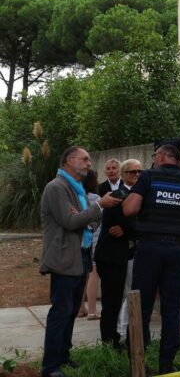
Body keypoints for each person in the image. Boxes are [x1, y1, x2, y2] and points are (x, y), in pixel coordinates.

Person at [123, 143, 180, 374]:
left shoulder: (148, 177)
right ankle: (167, 364)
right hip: (177, 251)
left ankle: (138, 362)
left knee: (141, 305)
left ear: (161, 156)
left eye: (155, 156)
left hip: (149, 248)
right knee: (171, 309)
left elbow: (129, 209)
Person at [39, 147, 121, 377]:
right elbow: (70, 220)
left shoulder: (76, 189)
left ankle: (63, 357)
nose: (89, 163)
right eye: (84, 159)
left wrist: (85, 216)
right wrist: (97, 207)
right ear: (69, 160)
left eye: (89, 160)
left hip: (81, 256)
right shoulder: (57, 187)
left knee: (72, 310)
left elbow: (87, 222)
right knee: (61, 311)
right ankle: (51, 366)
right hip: (65, 258)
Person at [94, 159, 141, 349]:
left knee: (120, 298)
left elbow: (132, 225)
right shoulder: (119, 195)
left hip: (123, 254)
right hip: (111, 256)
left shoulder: (135, 194)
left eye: (139, 171)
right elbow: (122, 224)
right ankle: (109, 342)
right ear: (123, 174)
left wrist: (129, 230)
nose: (137, 175)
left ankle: (114, 337)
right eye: (132, 172)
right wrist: (131, 230)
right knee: (112, 301)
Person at [79, 170, 103, 320]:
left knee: (83, 277)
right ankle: (93, 310)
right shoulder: (96, 199)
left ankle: (80, 307)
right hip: (95, 240)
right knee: (94, 275)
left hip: (81, 241)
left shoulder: (77, 197)